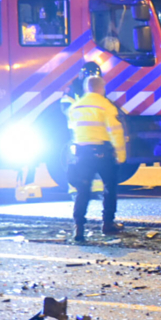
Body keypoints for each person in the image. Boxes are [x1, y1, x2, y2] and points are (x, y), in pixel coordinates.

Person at [66, 76, 126, 243]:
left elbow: (72, 130)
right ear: (101, 88)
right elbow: (115, 131)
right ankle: (107, 223)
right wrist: (120, 155)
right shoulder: (105, 105)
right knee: (109, 187)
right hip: (102, 152)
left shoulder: (75, 106)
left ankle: (79, 227)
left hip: (82, 153)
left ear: (86, 88)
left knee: (83, 190)